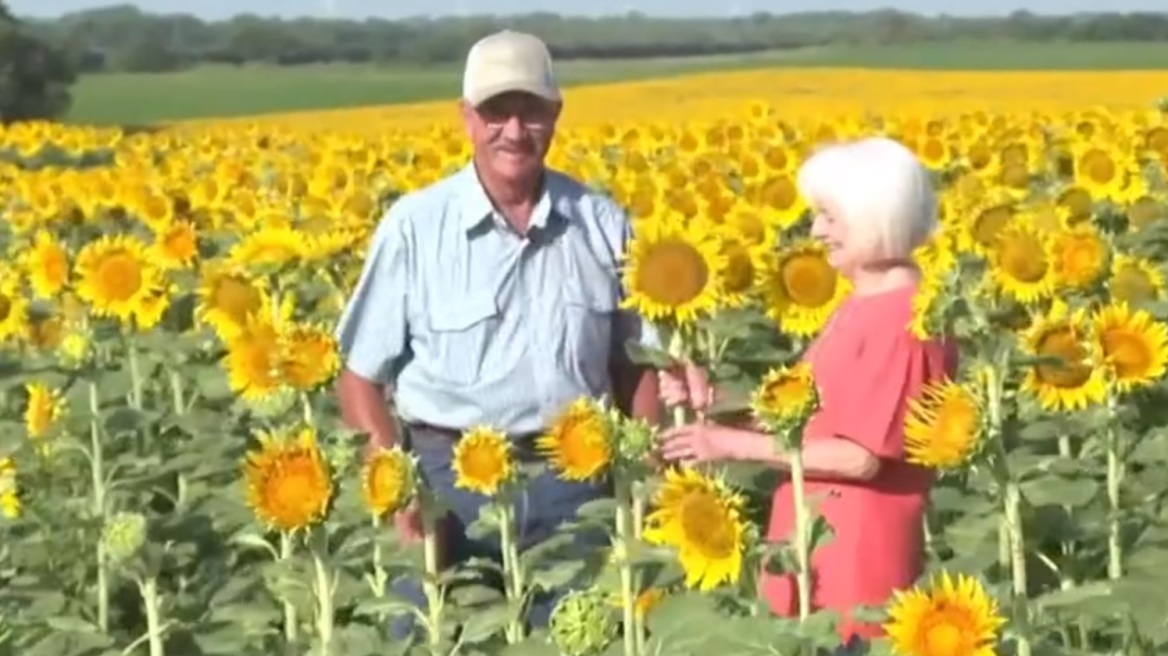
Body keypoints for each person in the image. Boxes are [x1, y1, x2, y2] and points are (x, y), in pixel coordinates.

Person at [332, 29, 661, 640]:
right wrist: (392, 478)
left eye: (530, 110)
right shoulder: (416, 227)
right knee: (440, 639)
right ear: (466, 119)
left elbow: (635, 364)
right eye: (495, 112)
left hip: (575, 480)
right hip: (445, 484)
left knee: (582, 640)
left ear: (555, 116)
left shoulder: (599, 223)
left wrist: (645, 474)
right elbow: (358, 376)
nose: (513, 130)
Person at [656, 136, 958, 646]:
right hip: (816, 540)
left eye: (831, 217)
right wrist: (716, 403)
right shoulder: (864, 305)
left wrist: (728, 445)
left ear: (874, 218)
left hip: (856, 553)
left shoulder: (904, 320)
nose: (817, 231)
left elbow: (861, 456)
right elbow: (815, 413)